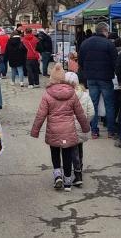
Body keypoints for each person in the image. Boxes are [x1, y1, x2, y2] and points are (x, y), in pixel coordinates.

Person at [30, 64, 90, 192]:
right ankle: (68, 182)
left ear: (52, 78)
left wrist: (35, 131)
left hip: (54, 129)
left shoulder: (47, 95)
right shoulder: (72, 93)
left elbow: (41, 114)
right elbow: (79, 113)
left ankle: (57, 175)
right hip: (68, 130)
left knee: (55, 152)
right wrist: (85, 127)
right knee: (67, 154)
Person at [78, 22, 118, 139]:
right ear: (105, 31)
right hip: (105, 78)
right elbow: (115, 61)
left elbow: (80, 61)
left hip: (91, 78)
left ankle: (94, 130)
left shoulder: (85, 43)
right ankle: (111, 131)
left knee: (93, 104)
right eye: (108, 31)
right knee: (109, 104)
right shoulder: (109, 44)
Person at [65, 71, 93, 187]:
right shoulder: (85, 94)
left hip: (69, 127)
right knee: (79, 147)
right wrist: (86, 122)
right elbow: (91, 112)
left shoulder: (64, 96)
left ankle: (77, 175)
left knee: (73, 150)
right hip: (82, 125)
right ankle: (79, 168)